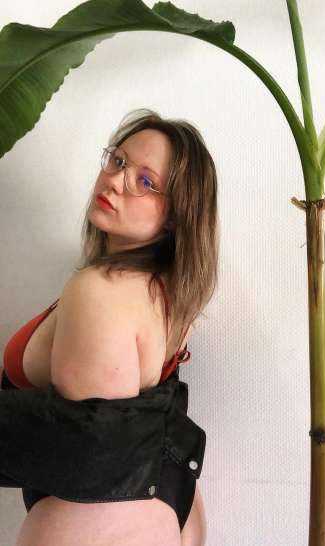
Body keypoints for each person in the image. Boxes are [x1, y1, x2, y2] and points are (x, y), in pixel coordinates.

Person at [1, 108, 219, 546]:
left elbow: (92, 448)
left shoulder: (99, 290)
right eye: (118, 161)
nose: (116, 180)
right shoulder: (168, 295)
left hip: (101, 518)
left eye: (145, 181)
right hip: (166, 503)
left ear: (176, 215)